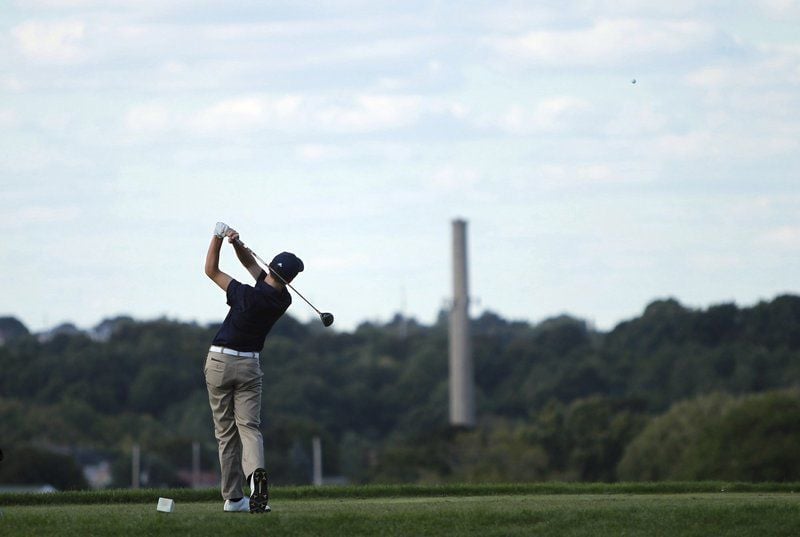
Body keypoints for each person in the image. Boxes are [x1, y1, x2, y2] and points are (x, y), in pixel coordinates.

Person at [203, 222, 304, 513]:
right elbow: (251, 265)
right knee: (249, 428)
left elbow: (211, 270)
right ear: (290, 279)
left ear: (269, 267)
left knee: (226, 433)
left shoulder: (244, 294)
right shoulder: (282, 299)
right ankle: (255, 476)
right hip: (249, 365)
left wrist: (218, 237)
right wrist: (237, 244)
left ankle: (234, 498)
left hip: (220, 362)